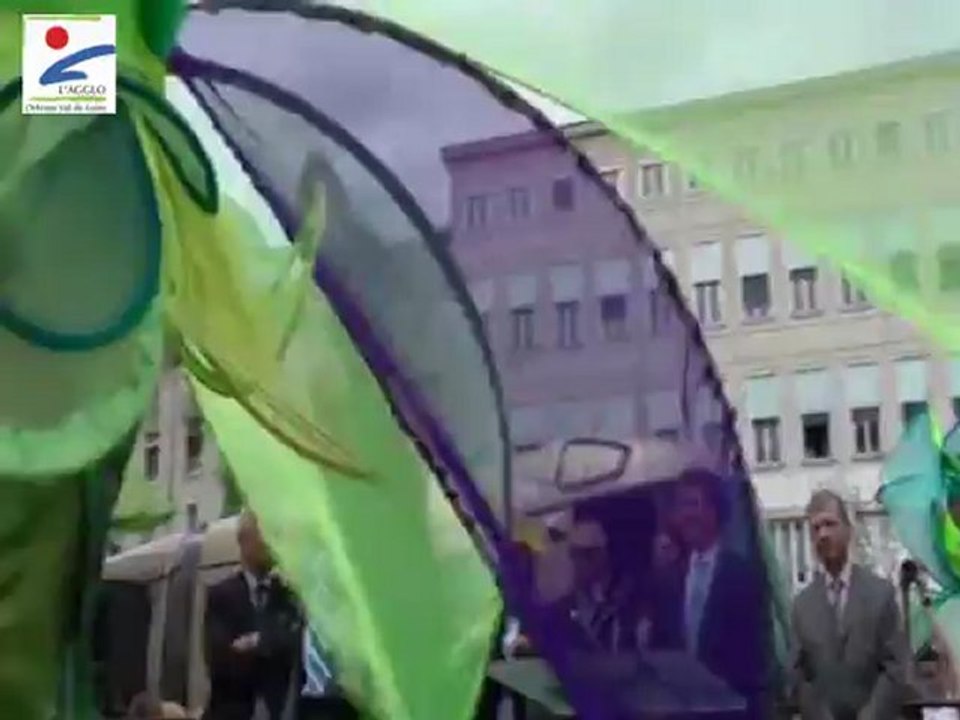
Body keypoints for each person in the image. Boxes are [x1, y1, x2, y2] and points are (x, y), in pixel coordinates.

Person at [648, 468, 769, 712]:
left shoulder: (742, 577)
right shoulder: (669, 579)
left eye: (694, 504)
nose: (686, 514)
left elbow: (755, 664)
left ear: (715, 510)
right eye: (681, 506)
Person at [790, 489, 908, 720]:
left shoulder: (880, 594)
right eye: (815, 528)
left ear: (848, 529)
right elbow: (798, 674)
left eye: (830, 524)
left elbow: (895, 667)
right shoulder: (802, 606)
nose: (823, 534)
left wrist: (871, 716)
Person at [203, 511, 302, 720]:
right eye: (265, 536)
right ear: (244, 541)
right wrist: (273, 644)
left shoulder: (287, 598)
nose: (272, 545)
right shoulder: (221, 595)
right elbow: (221, 664)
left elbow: (294, 644)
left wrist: (257, 642)